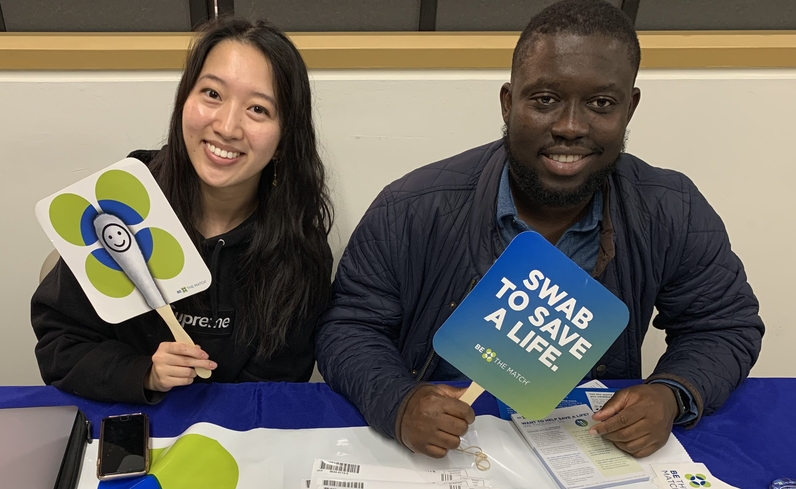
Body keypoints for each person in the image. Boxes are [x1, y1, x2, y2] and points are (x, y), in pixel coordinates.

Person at [316, 0, 764, 459]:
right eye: (546, 100)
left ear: (629, 108)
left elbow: (723, 325)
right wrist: (398, 402)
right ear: (509, 103)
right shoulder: (412, 207)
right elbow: (349, 326)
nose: (570, 127)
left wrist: (671, 393)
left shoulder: (671, 208)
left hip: (587, 446)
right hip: (447, 449)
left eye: (601, 103)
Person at [32, 18, 333, 404]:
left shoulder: (298, 248)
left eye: (258, 109)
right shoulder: (119, 206)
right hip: (124, 419)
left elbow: (276, 386)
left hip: (233, 432)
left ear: (284, 139)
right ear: (184, 100)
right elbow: (60, 346)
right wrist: (143, 374)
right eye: (212, 93)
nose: (227, 126)